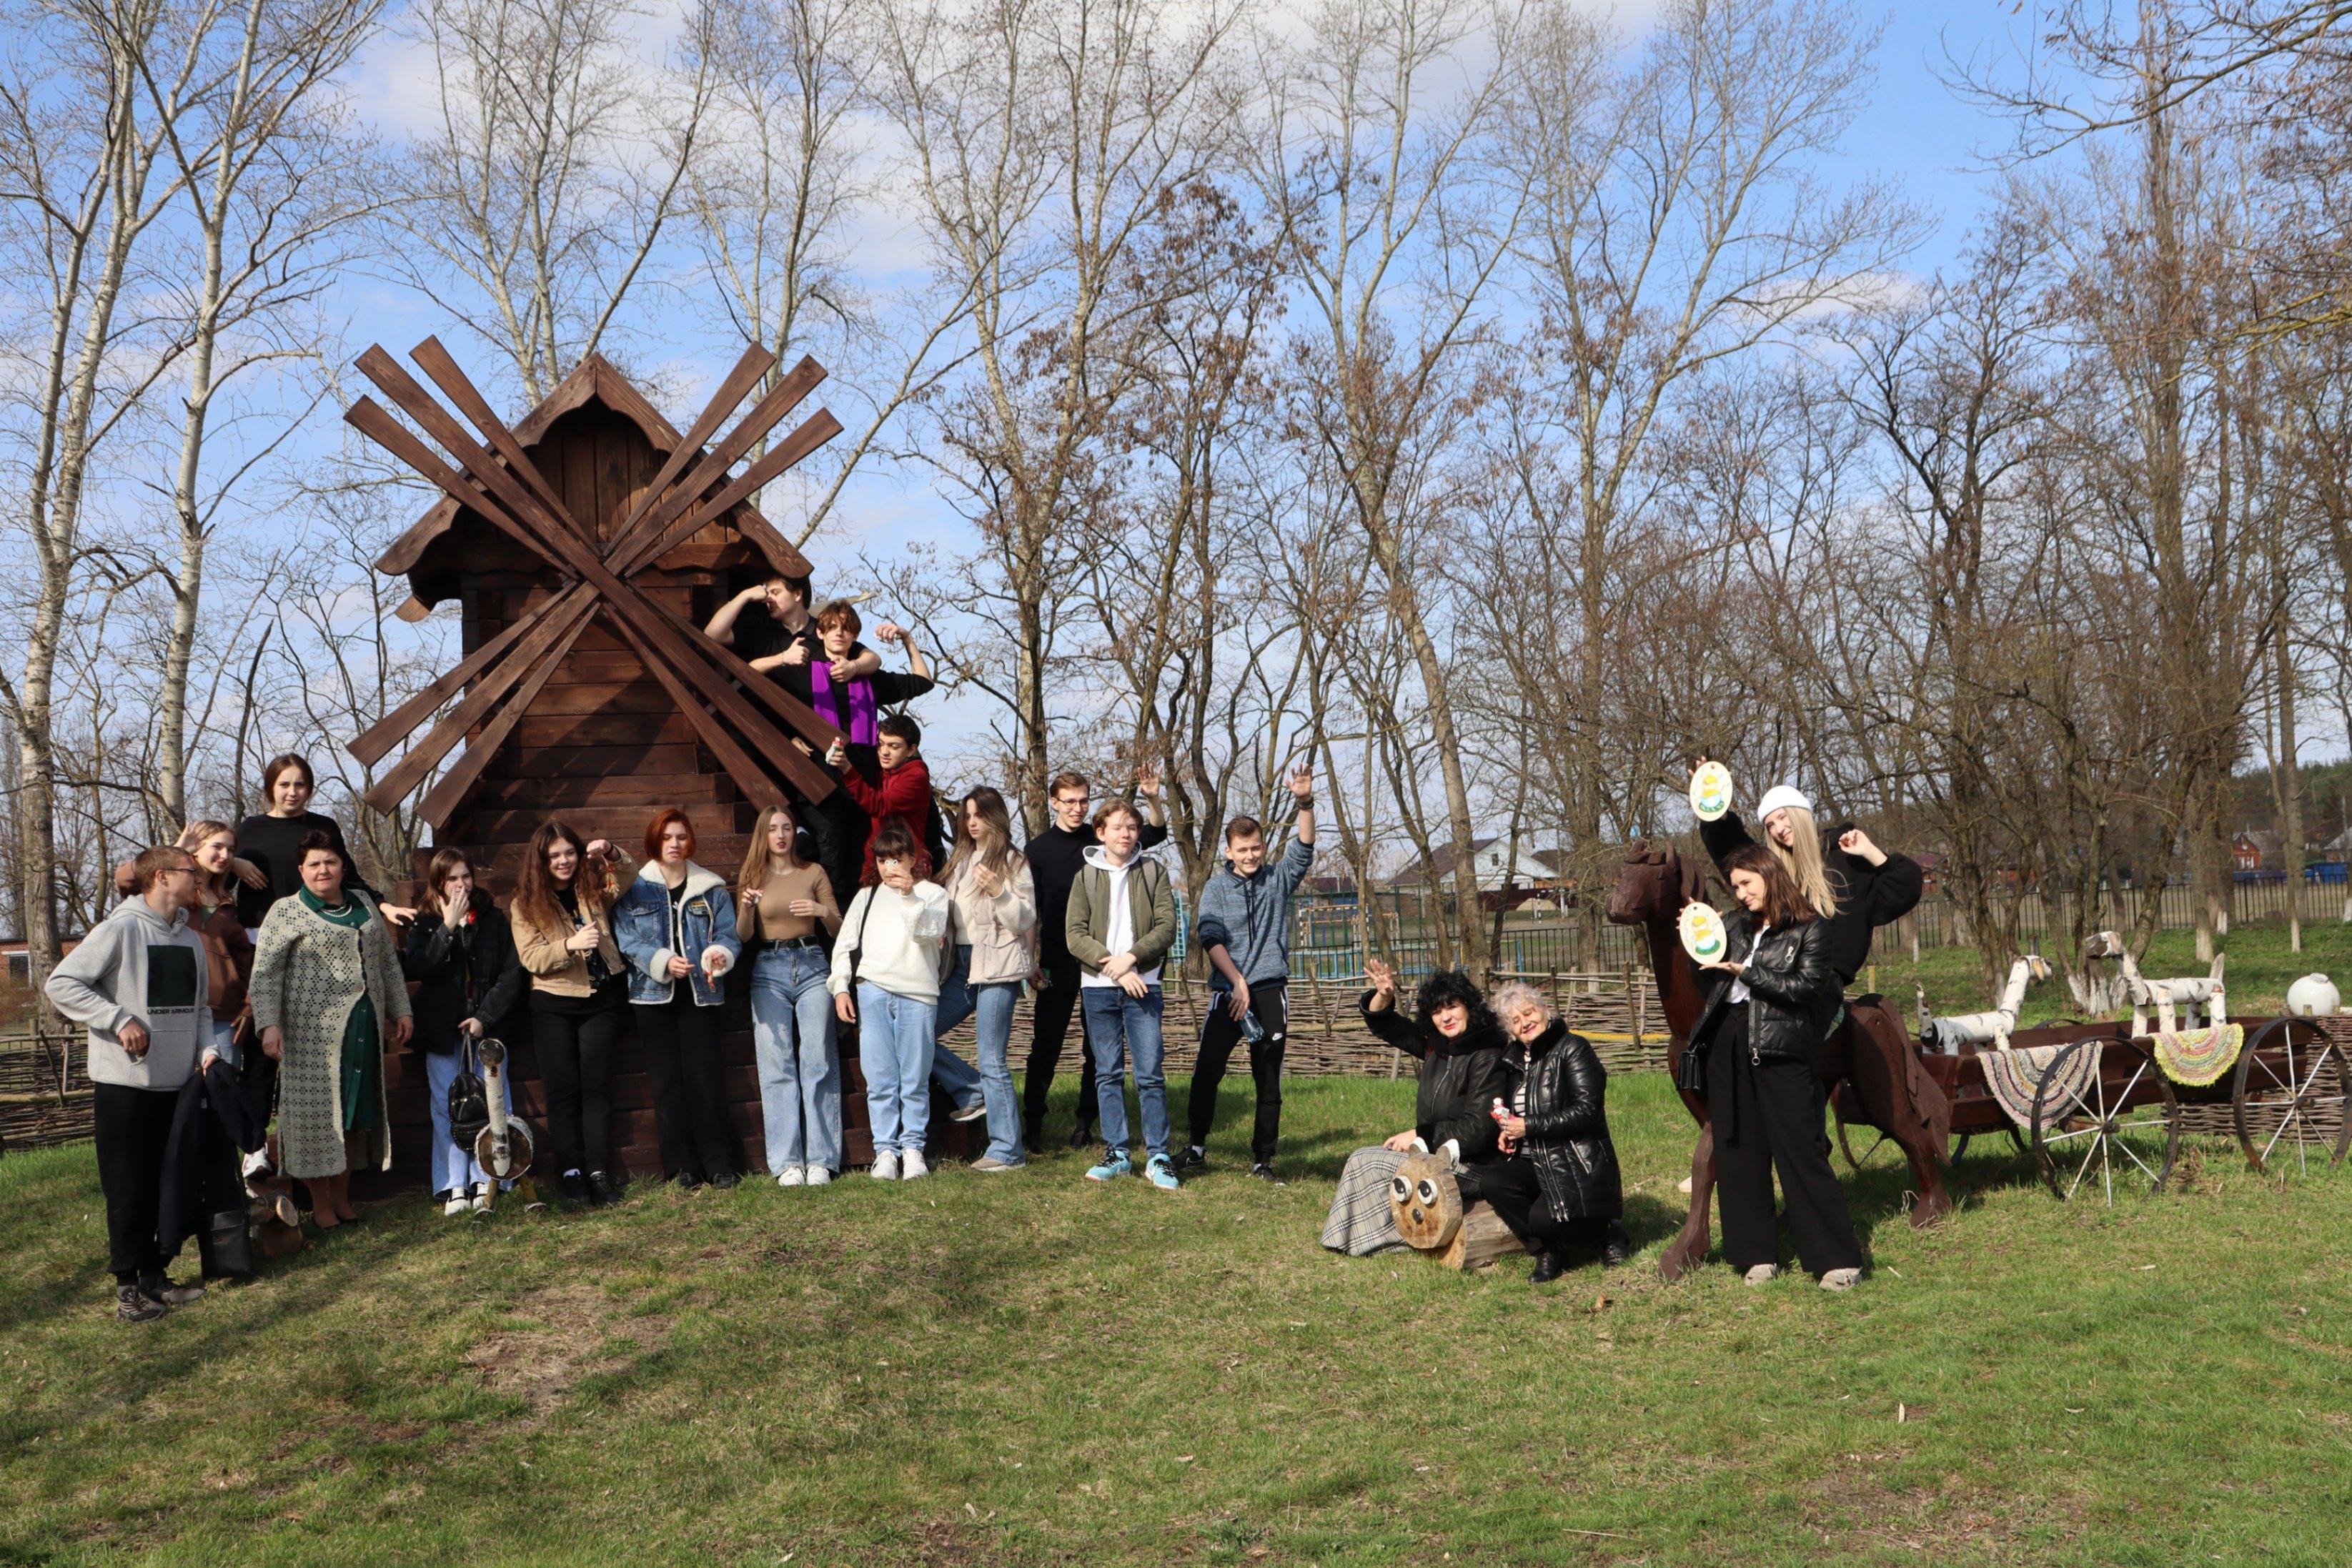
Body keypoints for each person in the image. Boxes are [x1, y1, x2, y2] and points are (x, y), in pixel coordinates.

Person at [47, 846, 216, 1321]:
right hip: (125, 1085)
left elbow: (201, 1009)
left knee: (167, 1185)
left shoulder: (191, 938)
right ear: (162, 877)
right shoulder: (120, 928)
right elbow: (62, 983)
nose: (199, 877)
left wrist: (207, 1052)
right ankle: (127, 1291)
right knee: (128, 1187)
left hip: (176, 1083)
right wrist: (118, 1019)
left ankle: (155, 1278)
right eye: (191, 871)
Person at [1689, 843, 1863, 1291]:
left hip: (1781, 1049)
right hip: (1729, 1043)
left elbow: (1806, 989)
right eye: (1735, 887)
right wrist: (1695, 934)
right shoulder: (1733, 926)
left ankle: (1837, 1260)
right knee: (1739, 1153)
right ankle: (1756, 1255)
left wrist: (1746, 973)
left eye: (1747, 883)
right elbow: (1706, 979)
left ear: (1770, 875)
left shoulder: (1813, 929)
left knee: (1801, 1152)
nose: (1741, 894)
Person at [248, 833, 415, 1231]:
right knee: (315, 1120)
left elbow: (387, 963)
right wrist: (269, 1025)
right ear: (302, 870)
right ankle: (320, 1204)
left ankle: (341, 1198)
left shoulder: (364, 905)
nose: (324, 870)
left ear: (343, 866)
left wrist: (400, 1009)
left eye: (332, 862)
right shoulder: (286, 912)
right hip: (310, 1039)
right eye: (315, 864)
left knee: (355, 1114)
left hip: (364, 1029)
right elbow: (265, 975)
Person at [1180, 763, 1316, 1182]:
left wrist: (1305, 801)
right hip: (1228, 993)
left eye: (1256, 847)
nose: (1251, 855)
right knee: (1207, 1073)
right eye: (1242, 849)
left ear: (1262, 846)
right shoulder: (1217, 889)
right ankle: (1197, 1146)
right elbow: (1210, 937)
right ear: (1229, 852)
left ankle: (1263, 1160)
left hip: (1270, 991)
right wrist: (1236, 981)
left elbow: (1304, 846)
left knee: (1268, 1078)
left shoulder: (1278, 878)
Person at [1022, 766, 1168, 1151]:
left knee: (1097, 1048)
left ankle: (1086, 1124)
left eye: (1084, 801)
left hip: (1107, 965)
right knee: (1046, 1043)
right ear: (1054, 802)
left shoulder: (1102, 837)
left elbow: (1155, 832)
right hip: (1058, 954)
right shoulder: (1037, 850)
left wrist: (1152, 798)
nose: (1077, 808)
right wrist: (1031, 959)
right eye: (1069, 801)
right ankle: (1032, 1122)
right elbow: (1032, 910)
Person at [1322, 961, 1511, 1256]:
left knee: (1376, 1164)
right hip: (1433, 1153)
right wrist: (1384, 996)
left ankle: (1384, 1243)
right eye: (1437, 1012)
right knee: (1362, 1158)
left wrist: (1421, 1135)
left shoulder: (1488, 1054)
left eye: (1452, 1007)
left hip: (1475, 1164)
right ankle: (1344, 1243)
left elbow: (1479, 1129)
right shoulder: (1438, 1048)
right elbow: (1387, 1025)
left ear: (1469, 1007)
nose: (1445, 1017)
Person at [1694, 770, 1922, 988]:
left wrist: (1870, 851)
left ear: (1800, 814)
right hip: (1782, 972)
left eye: (1783, 817)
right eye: (1770, 825)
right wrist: (1716, 809)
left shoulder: (1844, 860)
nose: (1779, 829)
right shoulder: (1776, 868)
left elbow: (1902, 890)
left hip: (1827, 979)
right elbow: (1737, 855)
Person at [615, 809, 744, 1191]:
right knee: (666, 1083)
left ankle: (719, 1165)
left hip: (700, 995)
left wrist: (719, 954)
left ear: (691, 842)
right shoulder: (634, 886)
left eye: (682, 837)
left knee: (706, 1080)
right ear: (655, 841)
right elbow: (625, 938)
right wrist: (661, 961)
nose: (675, 844)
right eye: (668, 837)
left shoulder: (712, 889)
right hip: (652, 998)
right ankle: (681, 1168)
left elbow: (729, 936)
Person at [401, 849, 527, 1216]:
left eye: (465, 877)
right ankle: (453, 1183)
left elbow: (510, 975)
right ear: (439, 883)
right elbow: (422, 968)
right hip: (441, 1031)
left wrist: (484, 1018)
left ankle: (491, 1177)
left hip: (485, 1027)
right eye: (452, 879)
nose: (460, 885)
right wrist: (448, 927)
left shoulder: (491, 918)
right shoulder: (425, 922)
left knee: (494, 1103)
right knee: (448, 1106)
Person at [511, 820, 629, 1207]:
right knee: (562, 1093)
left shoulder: (592, 888)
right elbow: (531, 958)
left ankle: (597, 1170)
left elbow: (630, 878)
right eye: (554, 856)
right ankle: (571, 1173)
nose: (563, 861)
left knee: (597, 1088)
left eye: (569, 853)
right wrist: (569, 944)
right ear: (541, 862)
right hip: (554, 1003)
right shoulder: (524, 903)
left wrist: (611, 851)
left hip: (601, 999)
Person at [1067, 799, 1181, 1190]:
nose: (1126, 834)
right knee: (1107, 1073)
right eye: (1117, 827)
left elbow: (1167, 927)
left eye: (1132, 827)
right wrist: (1109, 964)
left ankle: (1158, 1157)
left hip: (1144, 985)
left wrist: (1131, 960)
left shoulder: (1153, 871)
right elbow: (1074, 934)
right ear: (1100, 832)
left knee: (1150, 1075)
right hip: (1099, 989)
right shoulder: (1085, 876)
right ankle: (1117, 1152)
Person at [1484, 981, 1631, 1281]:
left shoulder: (1573, 1048)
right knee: (1494, 1183)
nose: (1525, 1023)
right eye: (1515, 1020)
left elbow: (1588, 1110)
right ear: (1509, 1030)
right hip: (1533, 1158)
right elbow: (1522, 1111)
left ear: (1545, 1010)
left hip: (1575, 1157)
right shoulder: (1515, 1061)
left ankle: (1607, 1235)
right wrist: (1509, 1131)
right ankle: (1547, 1251)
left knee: (1542, 1219)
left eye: (1528, 1013)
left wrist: (1528, 1127)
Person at [830, 821, 953, 1181]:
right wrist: (841, 987)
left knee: (914, 1077)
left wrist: (908, 895)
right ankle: (885, 1150)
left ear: (912, 859)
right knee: (880, 1077)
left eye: (896, 859)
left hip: (918, 995)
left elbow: (928, 932)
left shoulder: (933, 894)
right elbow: (845, 944)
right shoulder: (866, 896)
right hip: (873, 991)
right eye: (883, 860)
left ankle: (913, 1149)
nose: (889, 868)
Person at [736, 803, 844, 1187]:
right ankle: (787, 1162)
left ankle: (821, 1160)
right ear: (763, 836)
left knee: (817, 1060)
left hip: (813, 964)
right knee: (777, 1065)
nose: (780, 835)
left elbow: (838, 928)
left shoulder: (813, 872)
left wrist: (818, 908)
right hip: (769, 969)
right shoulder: (752, 875)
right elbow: (745, 935)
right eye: (772, 829)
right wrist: (747, 908)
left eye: (786, 828)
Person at [936, 787, 1037, 1172]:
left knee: (992, 1060)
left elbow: (1023, 920)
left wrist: (998, 890)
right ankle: (972, 1089)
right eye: (967, 815)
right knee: (917, 1034)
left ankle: (1008, 1150)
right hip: (960, 966)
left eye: (978, 815)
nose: (971, 822)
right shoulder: (959, 859)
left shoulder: (1014, 862)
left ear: (996, 818)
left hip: (997, 967)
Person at [233, 754, 413, 933]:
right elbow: (217, 883)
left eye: (300, 785)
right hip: (259, 933)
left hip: (316, 931)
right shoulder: (250, 828)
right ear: (270, 787)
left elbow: (349, 878)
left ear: (309, 789)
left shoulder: (323, 826)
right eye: (284, 784)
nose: (292, 792)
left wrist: (384, 906)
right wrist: (233, 863)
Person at [704, 568, 881, 695]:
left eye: (776, 592)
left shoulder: (824, 630)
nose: (768, 599)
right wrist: (744, 596)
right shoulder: (760, 629)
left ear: (797, 594)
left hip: (815, 733)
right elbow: (713, 635)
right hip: (767, 733)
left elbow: (873, 659)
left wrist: (853, 667)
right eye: (768, 593)